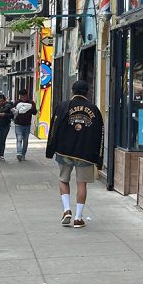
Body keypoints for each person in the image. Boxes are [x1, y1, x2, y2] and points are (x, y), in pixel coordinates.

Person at [45, 80, 104, 228]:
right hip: (85, 153)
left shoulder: (63, 106)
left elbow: (54, 128)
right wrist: (99, 158)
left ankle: (66, 210)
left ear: (72, 91)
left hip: (64, 150)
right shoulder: (94, 109)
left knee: (63, 179)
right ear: (87, 92)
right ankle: (78, 218)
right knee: (81, 184)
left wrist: (50, 149)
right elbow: (100, 134)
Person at [12, 88, 37, 161]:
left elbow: (35, 112)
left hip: (27, 125)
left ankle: (23, 154)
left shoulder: (31, 103)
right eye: (21, 97)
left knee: (25, 141)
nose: (23, 98)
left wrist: (29, 108)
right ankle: (19, 153)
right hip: (18, 124)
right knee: (19, 139)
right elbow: (12, 111)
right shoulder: (17, 102)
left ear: (27, 96)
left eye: (24, 96)